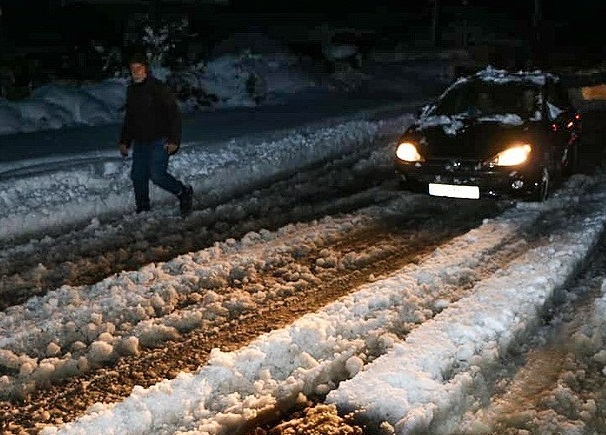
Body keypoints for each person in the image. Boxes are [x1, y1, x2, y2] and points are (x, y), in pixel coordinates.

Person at [118, 52, 193, 217]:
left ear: (146, 69)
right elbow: (130, 118)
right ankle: (143, 208)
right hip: (140, 141)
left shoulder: (158, 88)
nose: (136, 71)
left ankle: (183, 191)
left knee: (157, 175)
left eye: (139, 68)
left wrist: (174, 139)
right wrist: (124, 141)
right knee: (138, 175)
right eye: (133, 69)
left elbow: (173, 113)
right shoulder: (132, 90)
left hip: (160, 139)